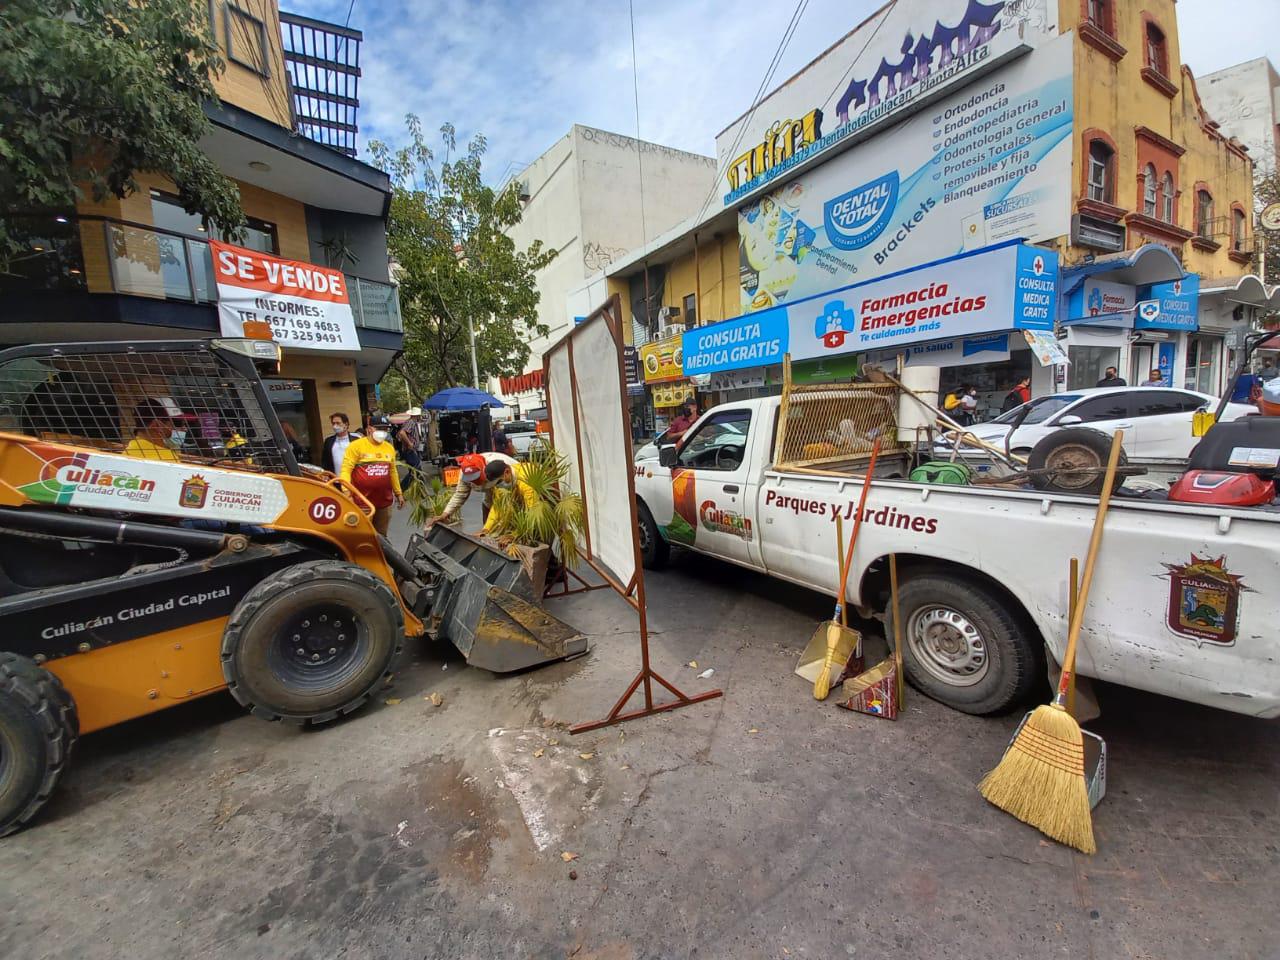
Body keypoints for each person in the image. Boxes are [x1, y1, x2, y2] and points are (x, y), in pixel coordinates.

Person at [340, 412, 404, 535]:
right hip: (362, 501)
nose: (382, 431)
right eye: (379, 428)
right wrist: (347, 493)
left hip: (384, 501)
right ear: (369, 429)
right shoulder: (356, 446)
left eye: (385, 429)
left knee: (382, 535)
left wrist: (398, 493)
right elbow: (346, 470)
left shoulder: (389, 448)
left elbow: (392, 471)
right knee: (363, 534)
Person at [435, 450, 527, 529]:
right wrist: (445, 514)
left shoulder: (499, 466)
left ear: (484, 469)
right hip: (491, 489)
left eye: (477, 478)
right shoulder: (464, 474)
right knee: (487, 507)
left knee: (513, 511)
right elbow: (460, 495)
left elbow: (517, 488)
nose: (475, 482)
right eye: (472, 480)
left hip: (513, 484)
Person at [125, 397, 184, 461]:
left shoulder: (131, 448)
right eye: (178, 423)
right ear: (157, 425)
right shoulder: (167, 458)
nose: (184, 428)